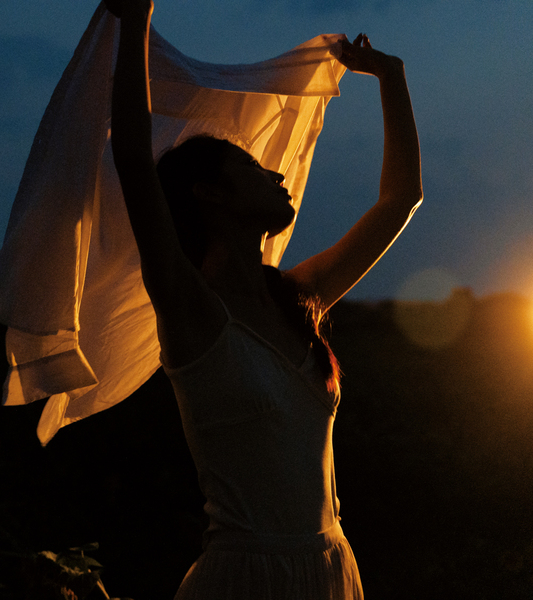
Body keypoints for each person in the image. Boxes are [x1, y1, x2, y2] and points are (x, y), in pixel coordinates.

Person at [105, 0, 422, 598]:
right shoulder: (192, 309)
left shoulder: (298, 299)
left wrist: (391, 75)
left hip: (330, 569)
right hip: (246, 578)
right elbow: (133, 161)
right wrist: (136, 19)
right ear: (208, 194)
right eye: (252, 167)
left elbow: (399, 200)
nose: (276, 176)